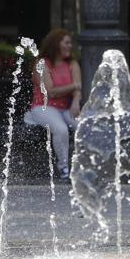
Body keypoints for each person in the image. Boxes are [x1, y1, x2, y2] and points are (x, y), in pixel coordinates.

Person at [23, 28, 82, 180]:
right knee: (61, 129)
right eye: (66, 43)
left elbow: (78, 88)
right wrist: (74, 87)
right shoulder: (42, 63)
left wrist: (76, 101)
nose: (70, 46)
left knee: (84, 127)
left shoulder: (72, 63)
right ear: (56, 44)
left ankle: (83, 165)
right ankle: (64, 168)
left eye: (70, 43)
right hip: (43, 107)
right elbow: (50, 92)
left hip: (66, 108)